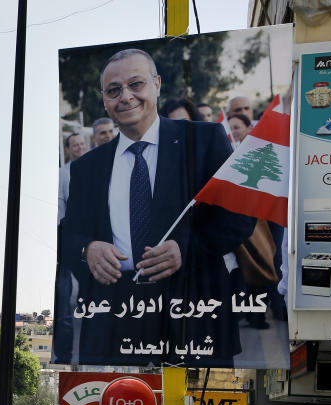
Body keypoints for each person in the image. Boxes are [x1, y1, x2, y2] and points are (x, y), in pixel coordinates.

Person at [56, 48, 256, 366]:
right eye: (114, 90)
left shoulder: (203, 141)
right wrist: (87, 249)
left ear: (157, 84)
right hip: (115, 325)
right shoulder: (86, 168)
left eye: (136, 84)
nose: (126, 97)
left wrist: (185, 248)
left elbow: (239, 217)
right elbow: (68, 235)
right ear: (104, 99)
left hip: (193, 321)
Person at [55, 132, 88, 362]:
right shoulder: (63, 173)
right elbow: (59, 205)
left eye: (81, 144)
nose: (78, 147)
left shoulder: (97, 166)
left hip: (94, 235)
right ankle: (65, 351)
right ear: (69, 149)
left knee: (89, 288)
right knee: (64, 292)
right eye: (74, 145)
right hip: (70, 236)